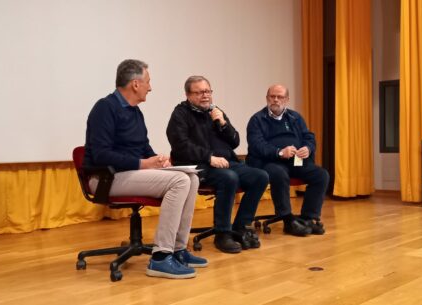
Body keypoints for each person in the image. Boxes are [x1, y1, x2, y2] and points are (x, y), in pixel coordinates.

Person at [84, 59, 207, 279]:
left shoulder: (135, 112)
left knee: (192, 177)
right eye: (148, 82)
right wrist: (142, 164)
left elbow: (142, 147)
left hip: (129, 173)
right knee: (179, 181)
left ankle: (178, 250)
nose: (150, 87)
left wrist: (158, 160)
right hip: (104, 177)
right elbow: (101, 154)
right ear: (135, 84)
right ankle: (160, 258)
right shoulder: (105, 107)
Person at [166, 75, 269, 254]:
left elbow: (235, 141)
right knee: (228, 178)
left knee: (261, 176)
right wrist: (209, 157)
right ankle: (222, 234)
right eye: (199, 92)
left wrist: (222, 122)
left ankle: (240, 226)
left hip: (226, 162)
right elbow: (180, 145)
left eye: (208, 91)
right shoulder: (180, 114)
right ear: (188, 95)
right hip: (197, 166)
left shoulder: (215, 111)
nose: (205, 96)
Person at [246, 84, 329, 236]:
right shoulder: (257, 120)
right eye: (272, 96)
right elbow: (257, 145)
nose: (276, 100)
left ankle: (307, 219)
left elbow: (308, 137)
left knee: (321, 175)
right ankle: (287, 219)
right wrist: (279, 152)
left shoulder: (295, 117)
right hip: (268, 162)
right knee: (278, 173)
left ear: (287, 99)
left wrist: (308, 148)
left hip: (294, 161)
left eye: (280, 97)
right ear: (267, 98)